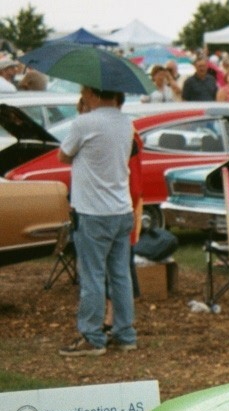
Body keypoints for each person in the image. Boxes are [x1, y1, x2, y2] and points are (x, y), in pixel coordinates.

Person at [57, 86, 137, 357]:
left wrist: (83, 116)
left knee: (93, 276)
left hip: (93, 210)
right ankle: (125, 333)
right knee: (120, 274)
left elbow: (63, 155)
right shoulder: (126, 123)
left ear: (92, 94)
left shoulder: (84, 123)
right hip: (121, 208)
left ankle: (92, 336)